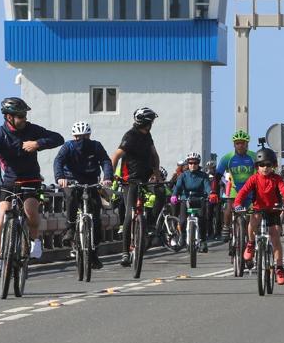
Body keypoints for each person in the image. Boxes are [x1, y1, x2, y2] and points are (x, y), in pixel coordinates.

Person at [0, 97, 64, 272]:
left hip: (31, 179)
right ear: (9, 117)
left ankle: (34, 240)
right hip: (9, 182)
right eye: (20, 116)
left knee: (30, 211)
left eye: (24, 115)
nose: (24, 119)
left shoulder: (32, 129)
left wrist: (38, 143)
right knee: (2, 214)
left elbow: (58, 138)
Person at [53, 121, 112, 269]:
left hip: (91, 182)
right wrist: (60, 177)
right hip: (72, 181)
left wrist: (107, 177)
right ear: (74, 136)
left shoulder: (96, 146)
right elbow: (58, 161)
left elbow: (105, 161)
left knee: (96, 218)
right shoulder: (68, 147)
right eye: (79, 137)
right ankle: (71, 227)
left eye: (85, 136)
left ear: (89, 135)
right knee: (71, 197)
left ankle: (94, 254)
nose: (82, 140)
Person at [110, 107, 161, 267]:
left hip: (145, 178)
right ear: (146, 123)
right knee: (129, 214)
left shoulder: (148, 136)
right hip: (130, 179)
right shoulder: (130, 136)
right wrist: (110, 175)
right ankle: (125, 252)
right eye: (151, 121)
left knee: (160, 193)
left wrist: (157, 174)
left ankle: (151, 225)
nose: (152, 124)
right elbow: (116, 156)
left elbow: (154, 155)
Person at [235, 147, 284, 285]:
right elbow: (243, 192)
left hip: (273, 209)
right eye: (262, 165)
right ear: (257, 167)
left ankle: (279, 268)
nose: (265, 168)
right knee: (253, 220)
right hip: (258, 209)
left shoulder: (277, 179)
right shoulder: (254, 179)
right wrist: (237, 204)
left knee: (275, 236)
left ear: (273, 165)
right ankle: (250, 243)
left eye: (268, 165)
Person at [171, 152, 217, 253]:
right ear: (188, 164)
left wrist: (211, 194)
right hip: (185, 199)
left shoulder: (203, 176)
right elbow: (178, 187)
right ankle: (182, 237)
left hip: (200, 199)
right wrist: (174, 195)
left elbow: (208, 187)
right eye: (190, 163)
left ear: (198, 163)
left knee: (202, 220)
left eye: (195, 163)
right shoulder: (183, 175)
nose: (193, 165)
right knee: (182, 221)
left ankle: (203, 241)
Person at [215, 130, 255, 240]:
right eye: (238, 143)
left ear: (247, 144)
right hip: (234, 189)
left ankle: (247, 236)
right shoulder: (227, 157)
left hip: (249, 191)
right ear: (234, 144)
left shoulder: (253, 156)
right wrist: (213, 191)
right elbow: (217, 176)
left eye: (243, 143)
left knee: (251, 215)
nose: (240, 145)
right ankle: (226, 227)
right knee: (228, 208)